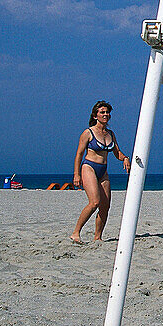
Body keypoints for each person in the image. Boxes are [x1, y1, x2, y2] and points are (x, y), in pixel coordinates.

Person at [70, 101, 131, 243]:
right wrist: (76, 174)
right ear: (95, 115)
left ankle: (97, 237)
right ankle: (76, 232)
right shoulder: (88, 132)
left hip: (103, 171)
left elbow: (117, 153)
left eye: (107, 112)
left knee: (105, 206)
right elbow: (79, 154)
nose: (105, 115)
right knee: (94, 202)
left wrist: (125, 158)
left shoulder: (110, 134)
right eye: (102, 112)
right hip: (89, 167)